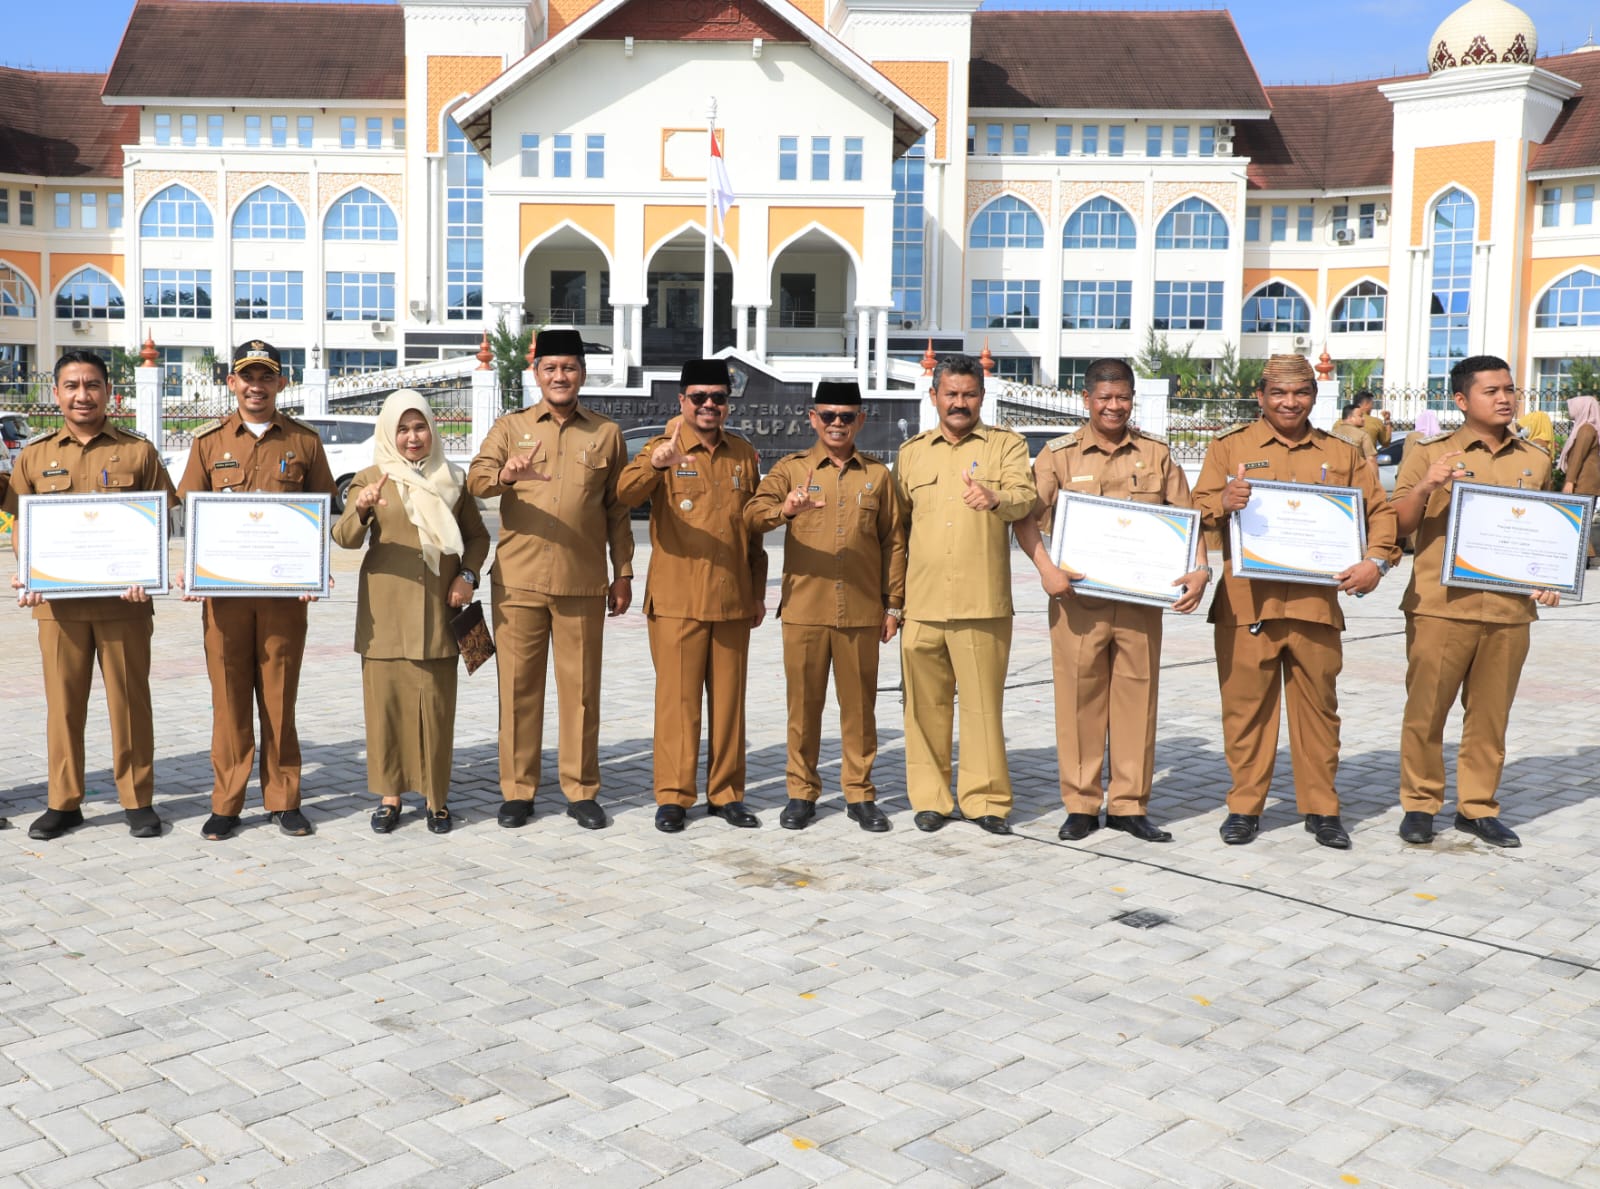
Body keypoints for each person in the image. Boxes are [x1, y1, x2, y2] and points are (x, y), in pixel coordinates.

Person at [1193, 354, 1399, 849]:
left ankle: (1322, 808)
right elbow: (1194, 509)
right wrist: (1222, 503)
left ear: (1314, 396)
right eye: (1279, 393)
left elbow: (1380, 513)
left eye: (1301, 392)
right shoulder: (1229, 448)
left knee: (1319, 712)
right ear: (1260, 396)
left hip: (1315, 605)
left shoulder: (1343, 451)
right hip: (1247, 606)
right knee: (1245, 712)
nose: (1290, 402)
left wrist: (1377, 562)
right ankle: (1244, 805)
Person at [1012, 358, 1211, 843]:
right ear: (1087, 400)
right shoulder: (1058, 456)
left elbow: (1188, 519)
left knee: (1136, 700)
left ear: (1132, 398)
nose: (1114, 406)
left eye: (1122, 397)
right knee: (1079, 700)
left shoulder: (1156, 455)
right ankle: (1080, 803)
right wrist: (1046, 570)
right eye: (1104, 398)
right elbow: (1025, 518)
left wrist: (1201, 570)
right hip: (1077, 601)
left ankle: (1128, 805)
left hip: (1141, 604)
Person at [4, 350, 177, 840]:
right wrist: (28, 572)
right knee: (62, 705)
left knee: (129, 702)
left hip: (125, 603)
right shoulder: (35, 455)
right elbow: (21, 523)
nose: (83, 395)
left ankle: (137, 799)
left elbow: (160, 519)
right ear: (56, 393)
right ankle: (64, 801)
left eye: (93, 385)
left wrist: (149, 567)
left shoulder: (138, 452)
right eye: (73, 385)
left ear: (109, 392)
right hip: (58, 609)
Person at [465, 329, 632, 830]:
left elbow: (618, 511)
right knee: (518, 689)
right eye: (550, 368)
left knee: (581, 691)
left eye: (570, 368)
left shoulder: (605, 433)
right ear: (535, 374)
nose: (560, 376)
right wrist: (507, 475)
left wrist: (622, 574)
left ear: (582, 373)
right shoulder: (511, 427)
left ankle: (581, 789)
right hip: (518, 582)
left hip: (582, 583)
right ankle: (518, 790)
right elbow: (476, 477)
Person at [1393, 356, 1559, 848]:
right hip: (1440, 605)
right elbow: (1398, 523)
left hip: (1509, 611)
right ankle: (1420, 804)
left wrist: (1548, 579)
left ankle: (1477, 807)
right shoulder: (1428, 452)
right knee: (1427, 710)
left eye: (1510, 389)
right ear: (1462, 400)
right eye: (1491, 391)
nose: (1505, 398)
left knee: (1491, 714)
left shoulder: (1536, 458)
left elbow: (1544, 532)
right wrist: (1429, 484)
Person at [177, 341, 337, 840]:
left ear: (281, 384)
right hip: (223, 599)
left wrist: (317, 568)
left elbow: (324, 510)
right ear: (232, 383)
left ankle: (284, 799)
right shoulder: (208, 443)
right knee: (228, 703)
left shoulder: (305, 443)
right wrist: (189, 569)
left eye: (266, 377)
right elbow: (190, 512)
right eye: (247, 376)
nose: (256, 386)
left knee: (278, 699)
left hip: (284, 598)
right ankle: (226, 801)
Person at [745, 379, 905, 833]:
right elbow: (753, 515)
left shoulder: (877, 476)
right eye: (828, 416)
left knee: (860, 709)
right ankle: (801, 792)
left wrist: (893, 605)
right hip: (804, 610)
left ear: (860, 420)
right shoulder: (791, 469)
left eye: (846, 416)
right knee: (804, 708)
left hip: (860, 611)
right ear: (813, 418)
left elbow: (894, 541)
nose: (837, 424)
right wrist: (787, 511)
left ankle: (859, 793)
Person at [618, 358, 767, 832]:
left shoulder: (743, 454)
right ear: (681, 401)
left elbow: (754, 533)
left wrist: (758, 592)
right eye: (698, 397)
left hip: (731, 599)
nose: (708, 405)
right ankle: (674, 796)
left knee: (729, 706)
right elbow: (624, 493)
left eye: (717, 398)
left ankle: (726, 794)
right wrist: (655, 465)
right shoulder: (661, 449)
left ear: (727, 403)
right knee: (677, 705)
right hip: (677, 599)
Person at [334, 390, 489, 834]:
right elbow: (343, 538)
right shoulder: (370, 477)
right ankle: (390, 797)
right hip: (386, 612)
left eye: (419, 426)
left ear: (432, 430)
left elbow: (477, 538)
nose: (412, 437)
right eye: (402, 429)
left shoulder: (452, 479)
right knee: (387, 709)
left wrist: (469, 576)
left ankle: (437, 800)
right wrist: (361, 508)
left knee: (436, 709)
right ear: (389, 432)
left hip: (442, 609)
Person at [893, 354, 1036, 835]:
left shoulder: (1006, 447)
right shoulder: (911, 453)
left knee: (981, 708)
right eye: (950, 394)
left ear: (982, 396)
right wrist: (893, 601)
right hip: (923, 603)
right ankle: (930, 798)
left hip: (982, 602)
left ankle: (986, 801)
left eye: (969, 394)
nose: (959, 403)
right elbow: (899, 530)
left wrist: (995, 499)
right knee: (923, 708)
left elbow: (1024, 497)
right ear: (933, 396)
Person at [1560, 395, 1600, 565]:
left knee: (1578, 519)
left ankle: (1585, 556)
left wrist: (1570, 481)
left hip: (1582, 483)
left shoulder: (1586, 429)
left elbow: (1577, 457)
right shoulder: (1589, 428)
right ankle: (1585, 556)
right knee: (1580, 519)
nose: (1571, 412)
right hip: (1587, 482)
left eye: (1573, 407)